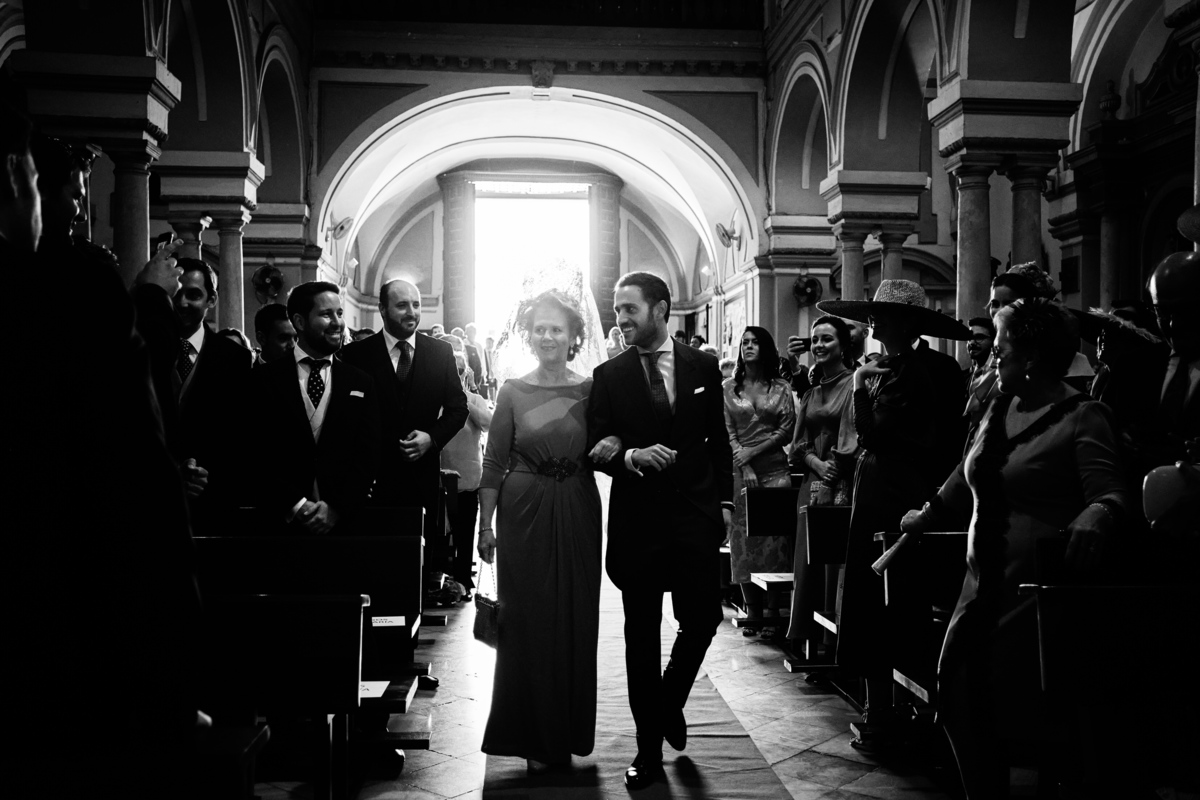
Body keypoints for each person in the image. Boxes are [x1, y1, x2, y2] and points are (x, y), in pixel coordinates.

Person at [6, 105, 201, 796]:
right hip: (58, 619)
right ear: (16, 180)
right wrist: (147, 302)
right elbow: (137, 471)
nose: (76, 213)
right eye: (65, 193)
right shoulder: (73, 285)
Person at [901, 299, 1126, 799]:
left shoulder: (1085, 416)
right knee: (956, 696)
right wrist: (927, 514)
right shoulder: (999, 406)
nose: (993, 356)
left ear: (1031, 357)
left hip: (1033, 598)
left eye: (1000, 349)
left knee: (1017, 714)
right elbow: (967, 471)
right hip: (978, 589)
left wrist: (1100, 512)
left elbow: (1111, 491)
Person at [587, 271, 733, 790]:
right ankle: (647, 749)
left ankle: (668, 701)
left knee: (703, 619)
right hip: (639, 521)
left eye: (629, 308)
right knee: (641, 638)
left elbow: (717, 441)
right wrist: (630, 455)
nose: (620, 319)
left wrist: (725, 504)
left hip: (695, 515)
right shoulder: (609, 375)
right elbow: (596, 445)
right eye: (617, 309)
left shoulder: (702, 367)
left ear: (661, 309)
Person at [816, 279, 970, 743]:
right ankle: (880, 704)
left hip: (900, 494)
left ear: (905, 322)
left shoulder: (923, 369)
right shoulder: (895, 365)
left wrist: (859, 385)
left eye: (881, 314)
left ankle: (899, 709)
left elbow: (872, 435)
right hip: (881, 489)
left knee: (893, 602)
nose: (872, 321)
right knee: (872, 599)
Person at [477, 290, 604, 772]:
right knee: (527, 623)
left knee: (576, 618)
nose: (547, 336)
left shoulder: (591, 390)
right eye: (539, 328)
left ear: (574, 336)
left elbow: (610, 444)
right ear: (528, 336)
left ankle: (566, 731)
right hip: (522, 513)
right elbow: (494, 463)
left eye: (557, 329)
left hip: (578, 508)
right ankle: (530, 736)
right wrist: (485, 527)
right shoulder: (512, 391)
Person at [246, 281, 382, 532]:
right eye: (326, 314)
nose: (338, 322)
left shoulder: (360, 382)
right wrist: (297, 505)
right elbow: (255, 451)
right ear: (300, 322)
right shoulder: (263, 380)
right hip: (279, 523)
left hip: (345, 525)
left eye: (339, 313)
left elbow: (368, 455)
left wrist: (336, 508)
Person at [340, 279, 468, 532]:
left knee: (420, 552)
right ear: (382, 309)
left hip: (421, 479)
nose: (411, 312)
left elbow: (458, 408)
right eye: (402, 305)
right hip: (371, 483)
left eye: (416, 305)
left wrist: (431, 438)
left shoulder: (440, 353)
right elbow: (346, 417)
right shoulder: (357, 355)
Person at [786, 316, 859, 644]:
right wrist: (816, 462)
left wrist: (833, 471)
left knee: (835, 561)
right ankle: (810, 639)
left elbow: (854, 435)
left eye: (826, 339)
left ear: (843, 346)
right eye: (815, 339)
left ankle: (835, 645)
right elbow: (797, 445)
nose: (818, 345)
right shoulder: (812, 392)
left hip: (842, 482)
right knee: (808, 562)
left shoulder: (855, 383)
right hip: (811, 482)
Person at [722, 326, 796, 638]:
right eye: (744, 342)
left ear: (765, 348)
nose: (748, 347)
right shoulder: (729, 387)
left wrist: (754, 452)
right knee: (743, 541)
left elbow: (786, 430)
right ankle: (752, 610)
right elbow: (726, 430)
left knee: (775, 542)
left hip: (775, 469)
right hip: (740, 470)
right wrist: (745, 461)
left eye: (754, 342)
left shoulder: (781, 387)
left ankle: (773, 611)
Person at [170, 258, 254, 530]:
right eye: (175, 294)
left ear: (212, 299)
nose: (182, 303)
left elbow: (239, 433)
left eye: (193, 295)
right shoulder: (143, 349)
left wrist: (203, 475)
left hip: (213, 497)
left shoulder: (234, 357)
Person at [441, 346, 493, 595]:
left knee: (464, 532)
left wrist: (462, 397)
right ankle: (440, 580)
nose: (456, 374)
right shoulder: (434, 397)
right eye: (451, 370)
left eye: (460, 371)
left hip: (468, 477)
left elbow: (488, 423)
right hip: (440, 476)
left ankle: (462, 579)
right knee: (441, 534)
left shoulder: (474, 400)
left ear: (466, 374)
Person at [964, 317, 995, 384]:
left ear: (993, 340)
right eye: (969, 337)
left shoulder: (1000, 375)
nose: (971, 342)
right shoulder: (962, 377)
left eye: (979, 337)